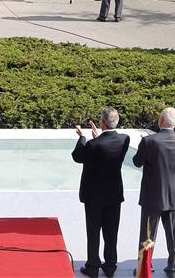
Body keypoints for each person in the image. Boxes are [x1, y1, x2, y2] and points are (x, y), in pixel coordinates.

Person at [132, 107, 175, 277]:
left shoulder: (149, 141)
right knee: (174, 235)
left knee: (148, 235)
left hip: (152, 195)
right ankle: (173, 269)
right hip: (174, 195)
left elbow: (137, 162)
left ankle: (145, 268)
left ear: (162, 121)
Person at [71, 108, 130, 278]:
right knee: (111, 232)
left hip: (94, 194)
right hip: (113, 193)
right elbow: (106, 149)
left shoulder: (93, 144)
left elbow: (78, 156)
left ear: (102, 122)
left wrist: (82, 137)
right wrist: (99, 136)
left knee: (93, 231)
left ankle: (93, 267)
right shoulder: (124, 139)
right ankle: (110, 266)